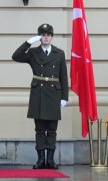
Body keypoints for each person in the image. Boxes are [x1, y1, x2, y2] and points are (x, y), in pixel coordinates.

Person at [12, 24, 68, 169]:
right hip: (39, 94)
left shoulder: (59, 53)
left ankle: (50, 160)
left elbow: (64, 77)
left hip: (53, 94)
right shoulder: (33, 52)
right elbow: (16, 56)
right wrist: (28, 42)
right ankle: (40, 160)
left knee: (52, 130)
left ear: (52, 37)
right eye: (43, 35)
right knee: (39, 130)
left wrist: (64, 97)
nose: (46, 37)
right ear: (39, 37)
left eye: (48, 35)